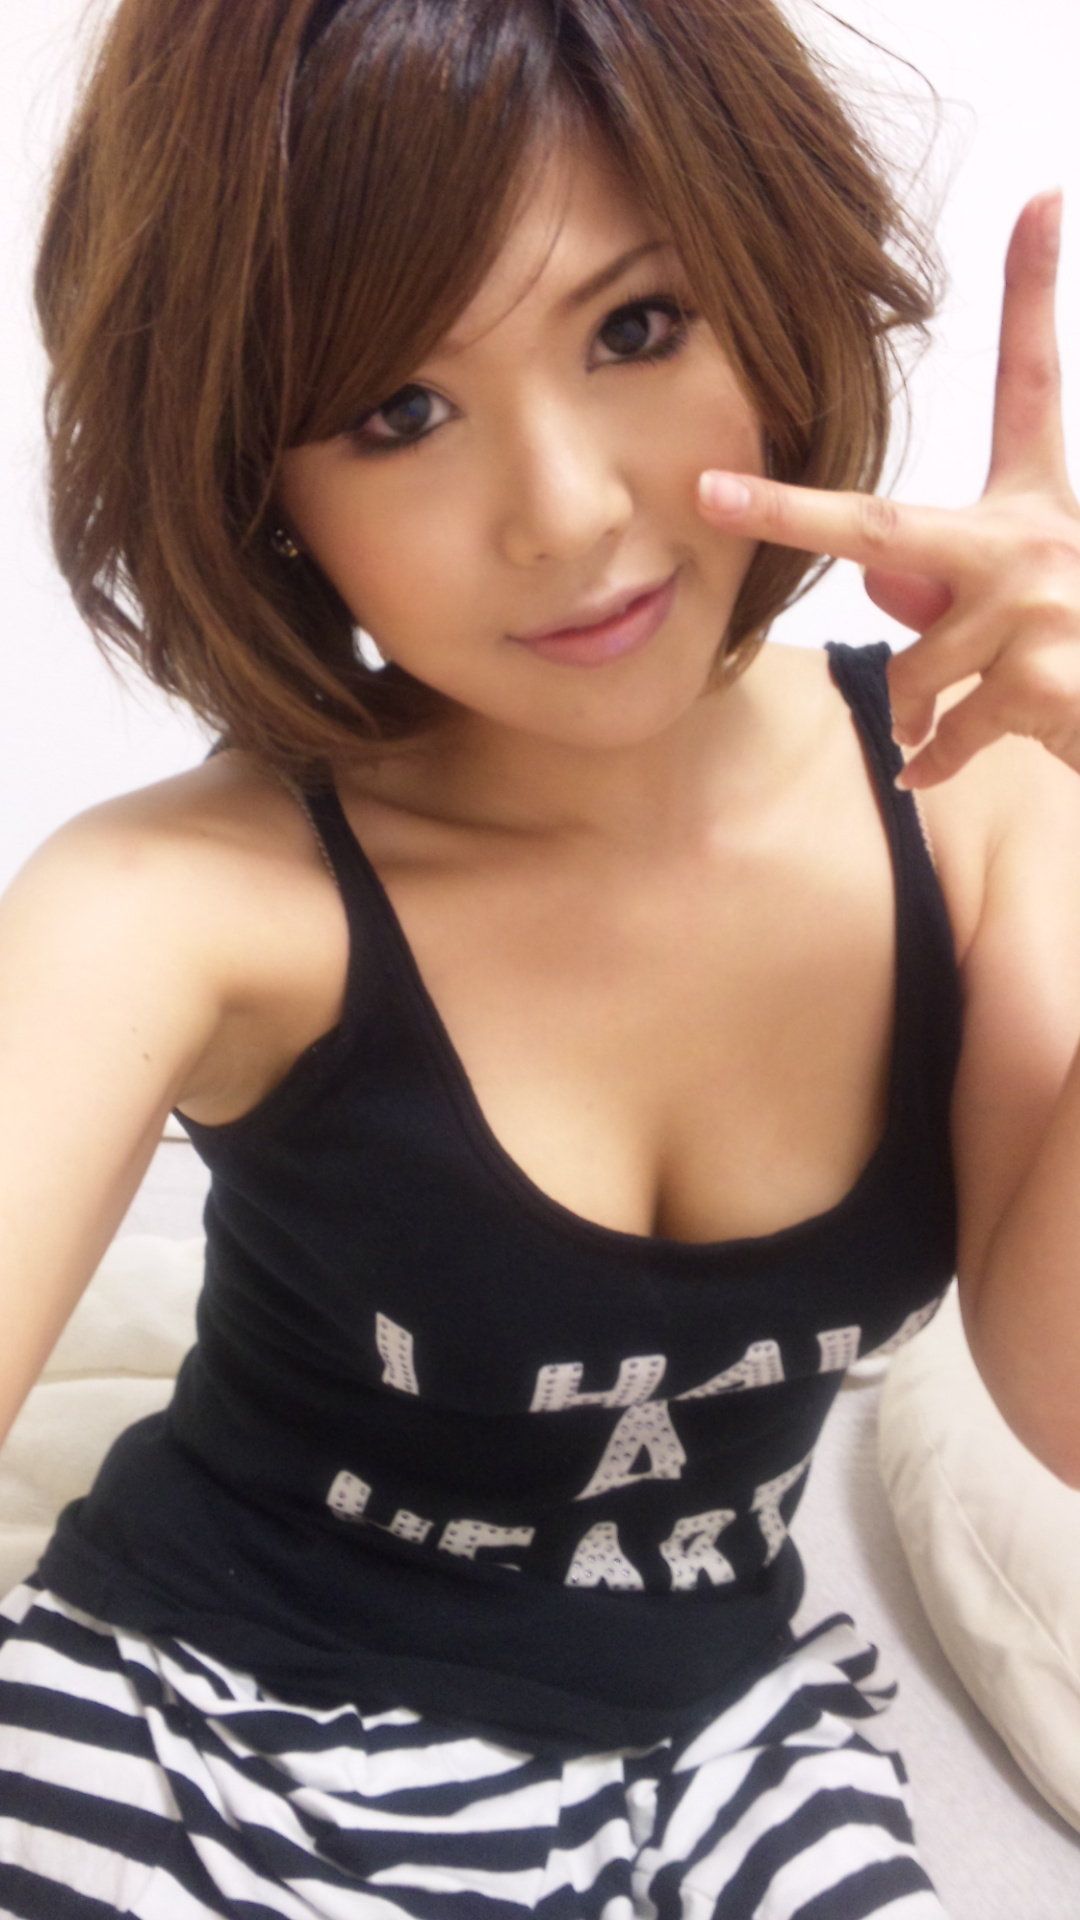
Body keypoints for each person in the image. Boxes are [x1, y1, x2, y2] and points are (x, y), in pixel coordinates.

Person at [9, 0, 1071, 1913]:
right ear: (259, 486)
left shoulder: (973, 790)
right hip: (200, 1725)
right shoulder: (178, 900)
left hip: (723, 1754)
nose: (568, 511)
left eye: (636, 326)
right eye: (398, 414)